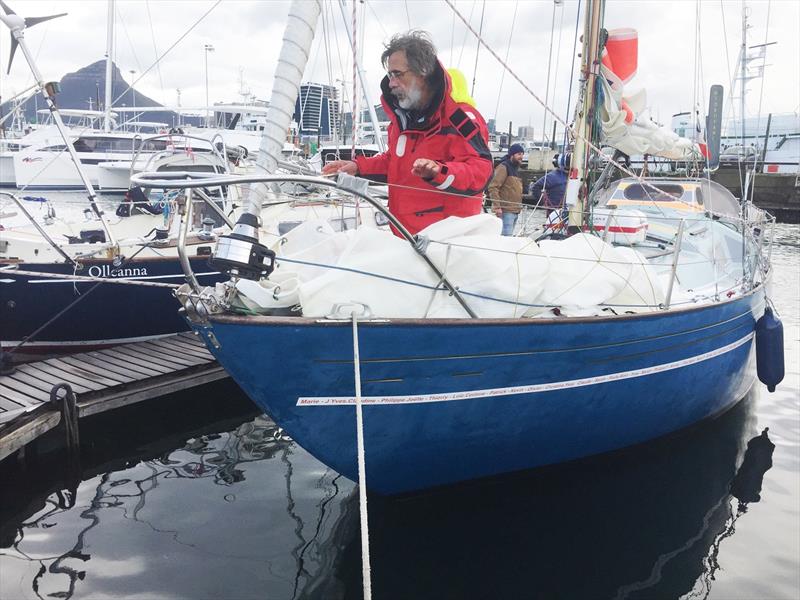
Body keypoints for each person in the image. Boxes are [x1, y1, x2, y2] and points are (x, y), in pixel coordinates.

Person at [321, 30, 493, 236]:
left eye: (398, 74)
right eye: (390, 75)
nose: (392, 83)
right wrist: (358, 167)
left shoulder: (461, 119)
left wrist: (439, 172)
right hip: (406, 238)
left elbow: (481, 171)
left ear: (423, 72)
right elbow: (394, 163)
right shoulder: (403, 120)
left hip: (446, 243)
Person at [488, 143, 525, 235]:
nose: (521, 157)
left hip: (514, 210)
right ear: (512, 155)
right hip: (505, 211)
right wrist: (497, 207)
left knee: (508, 237)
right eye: (519, 154)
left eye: (522, 154)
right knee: (505, 238)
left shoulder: (516, 169)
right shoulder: (503, 167)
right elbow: (493, 186)